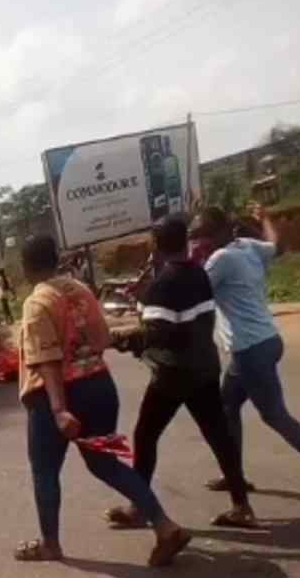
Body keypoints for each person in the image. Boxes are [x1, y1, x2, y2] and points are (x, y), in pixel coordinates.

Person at [16, 234, 191, 566]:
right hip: (98, 385)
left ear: (26, 267)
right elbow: (102, 338)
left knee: (45, 470)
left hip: (58, 395)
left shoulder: (37, 303)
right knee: (104, 463)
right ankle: (165, 525)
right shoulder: (80, 290)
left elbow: (48, 359)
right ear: (57, 258)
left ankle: (50, 545)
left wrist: (58, 409)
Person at [108, 216, 257, 529]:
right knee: (219, 436)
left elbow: (157, 333)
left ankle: (139, 508)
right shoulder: (199, 274)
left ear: (157, 246)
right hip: (205, 368)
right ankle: (242, 506)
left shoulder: (163, 284)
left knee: (145, 435)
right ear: (184, 243)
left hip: (173, 374)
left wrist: (121, 339)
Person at [192, 205, 300, 489]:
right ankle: (234, 476)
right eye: (198, 235)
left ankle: (234, 477)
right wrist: (265, 218)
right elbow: (278, 246)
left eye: (204, 234)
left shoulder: (220, 259)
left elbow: (193, 293)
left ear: (220, 232)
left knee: (274, 415)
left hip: (250, 350)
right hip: (266, 341)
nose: (201, 241)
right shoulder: (247, 246)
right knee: (227, 404)